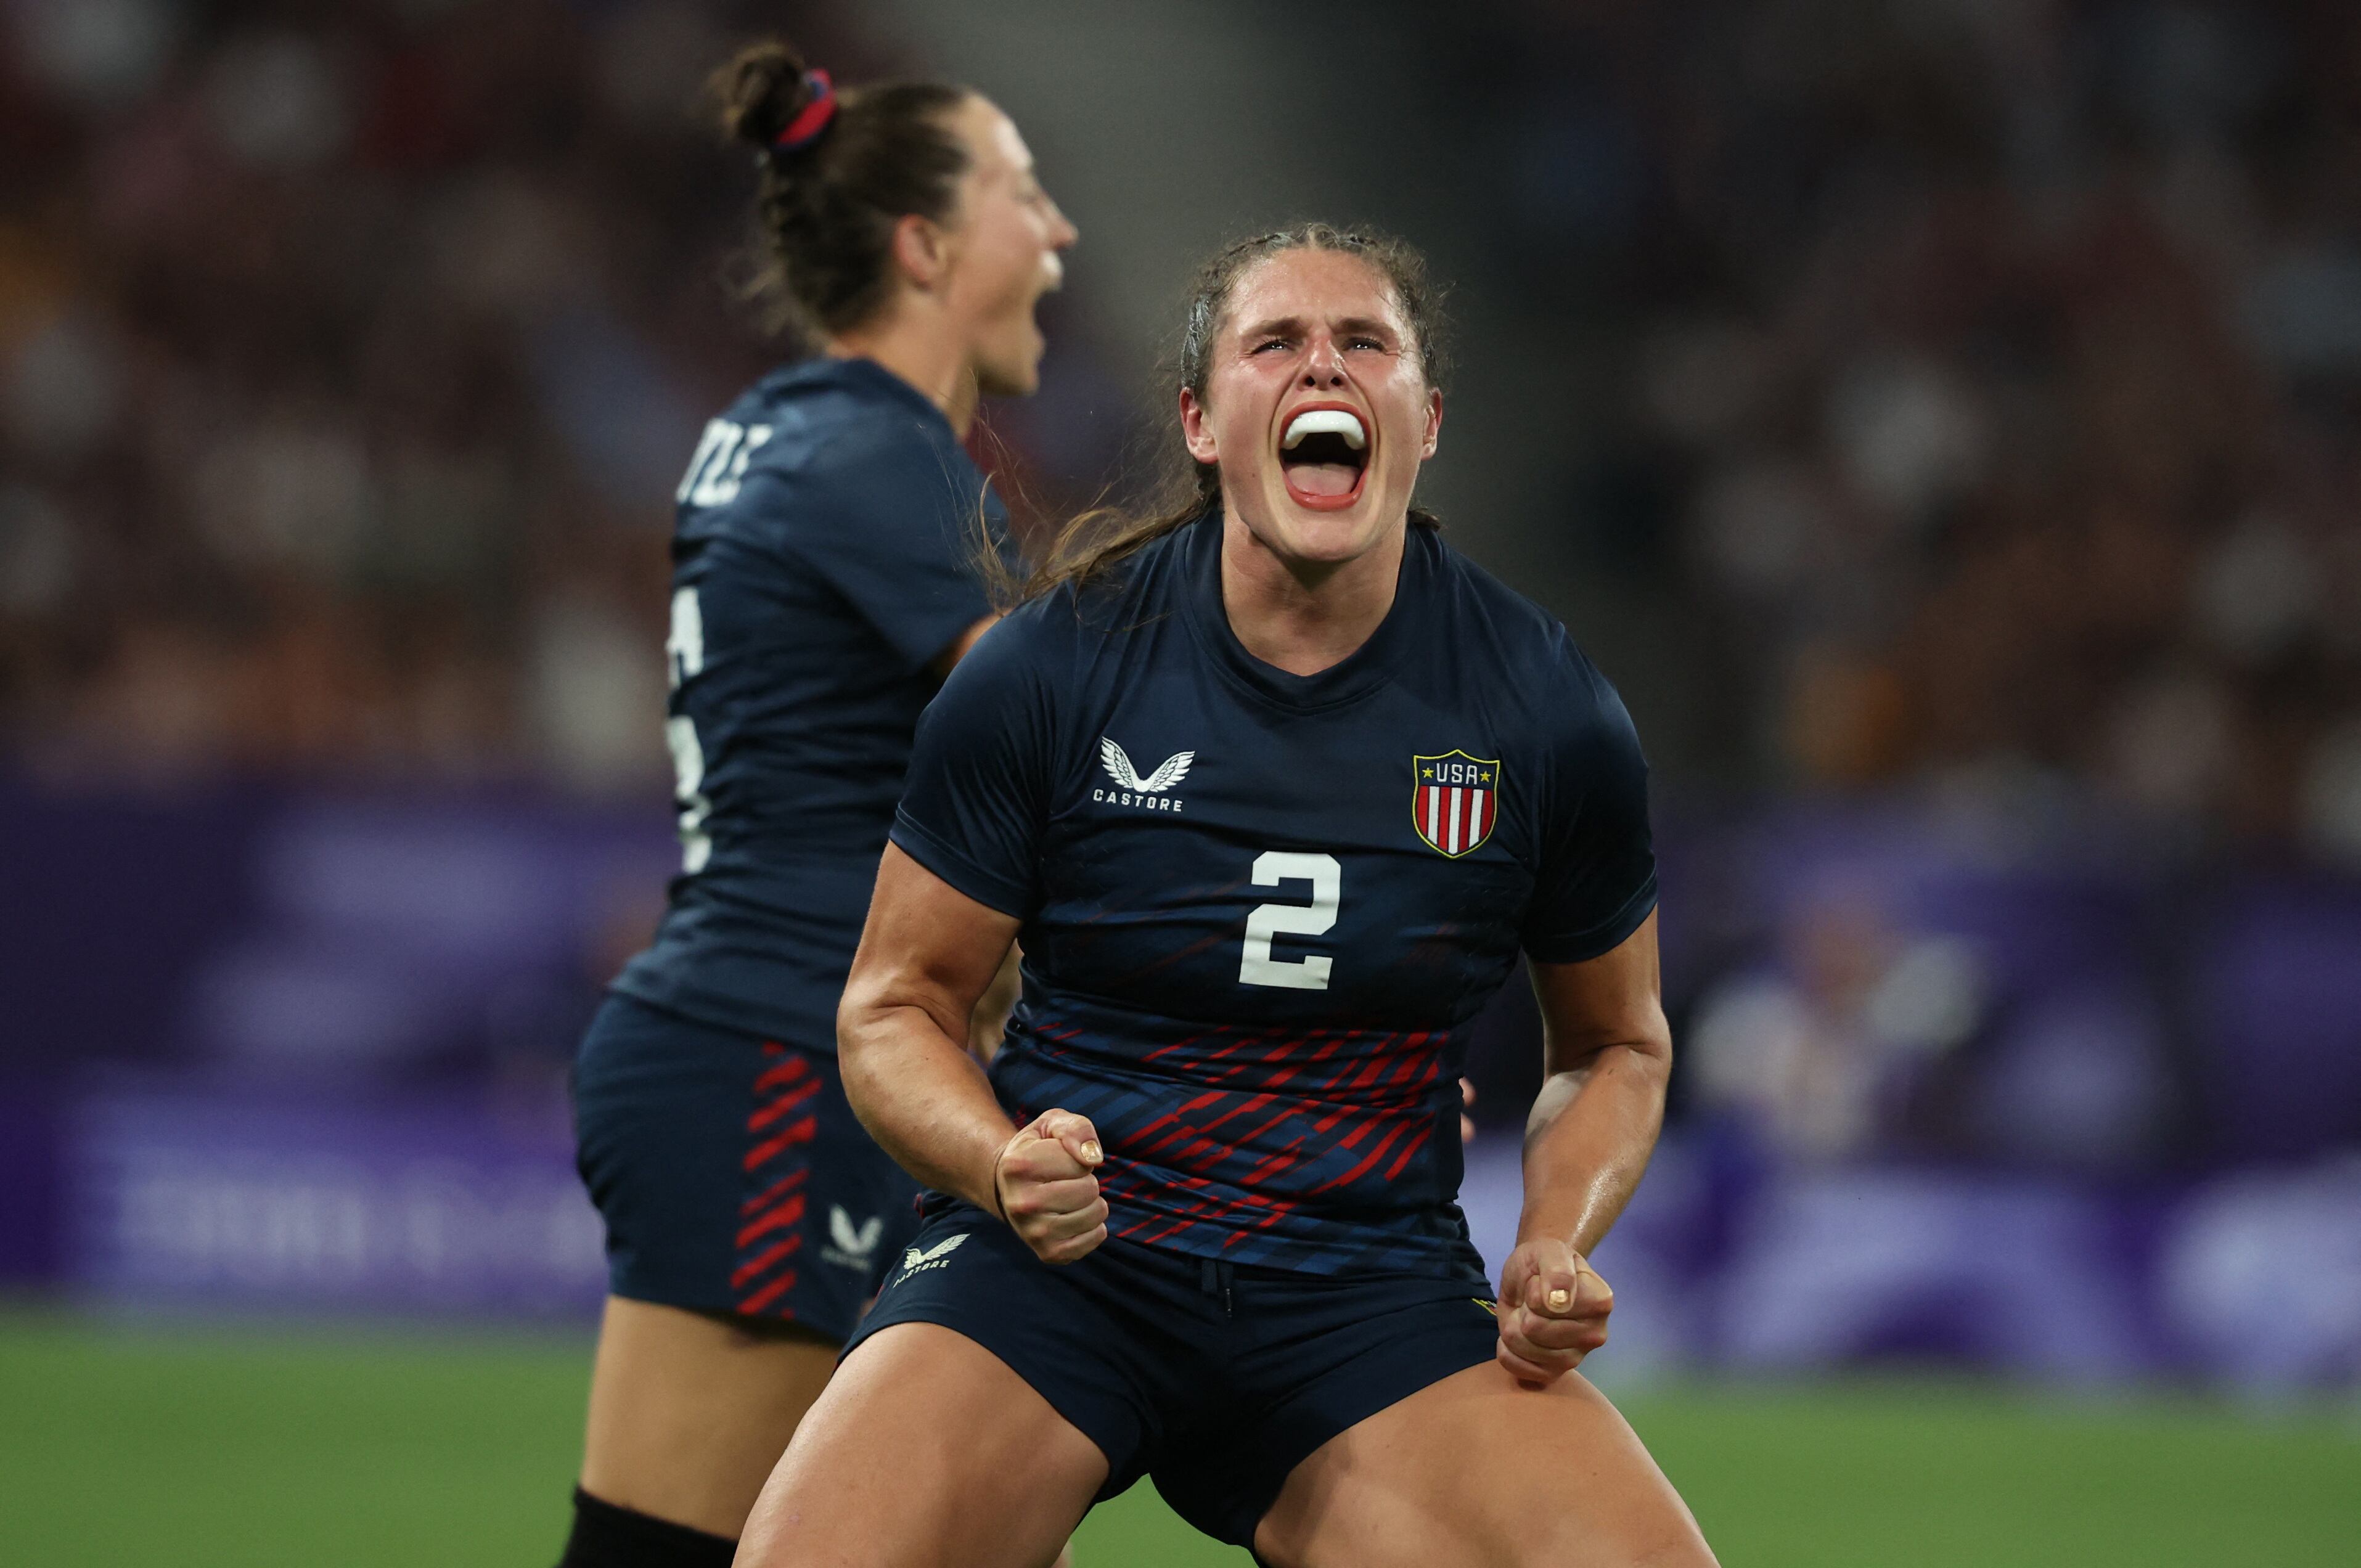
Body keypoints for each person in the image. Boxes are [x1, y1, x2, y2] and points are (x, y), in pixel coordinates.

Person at [737, 224, 1716, 1566]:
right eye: (1277, 343)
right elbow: (892, 1008)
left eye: (1364, 342)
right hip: (1062, 1271)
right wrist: (998, 1163)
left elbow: (1615, 1042)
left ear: (1422, 423)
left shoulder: (1545, 711)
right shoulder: (1050, 671)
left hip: (1363, 1295)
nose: (1325, 364)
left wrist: (1550, 1240)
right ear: (1202, 422)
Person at [557, 39, 1075, 1568]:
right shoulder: (881, 457)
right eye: (1021, 193)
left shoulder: (784, 427)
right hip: (776, 1055)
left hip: (778, 1048)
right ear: (923, 246)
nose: (1058, 232)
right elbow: (1060, 764)